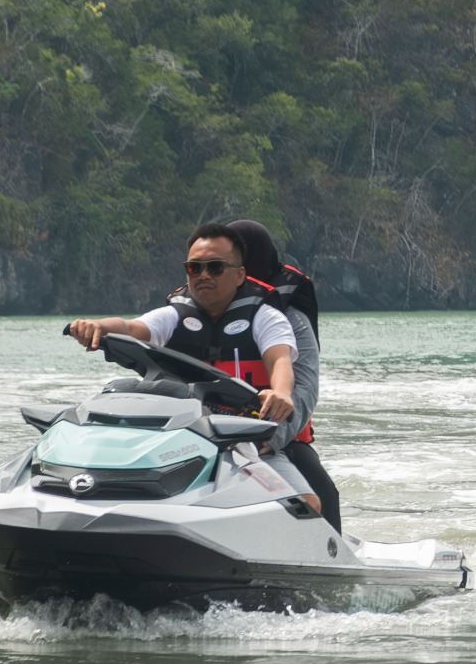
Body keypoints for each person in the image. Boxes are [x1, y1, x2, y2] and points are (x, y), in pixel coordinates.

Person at [67, 222, 339, 531]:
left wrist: (277, 414)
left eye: (216, 267)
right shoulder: (178, 313)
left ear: (241, 272)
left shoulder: (276, 317)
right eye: (195, 268)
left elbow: (287, 370)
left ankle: (325, 559)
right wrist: (98, 327)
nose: (205, 275)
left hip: (261, 434)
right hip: (188, 432)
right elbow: (132, 328)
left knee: (317, 498)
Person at [223, 217, 338, 536]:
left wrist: (270, 441)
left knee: (323, 496)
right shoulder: (202, 313)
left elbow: (304, 388)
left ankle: (334, 565)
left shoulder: (290, 317)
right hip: (210, 435)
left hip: (280, 439)